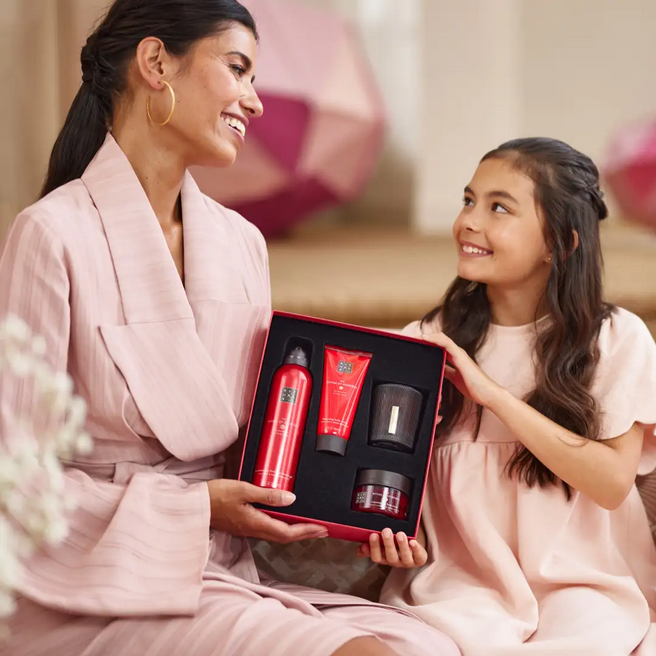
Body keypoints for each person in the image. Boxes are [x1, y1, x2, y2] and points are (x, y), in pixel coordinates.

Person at [0, 2, 461, 655]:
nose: (256, 100)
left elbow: (259, 439)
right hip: (92, 581)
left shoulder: (240, 243)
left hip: (221, 567)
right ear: (157, 64)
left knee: (424, 645)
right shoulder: (51, 234)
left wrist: (351, 511)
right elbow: (15, 477)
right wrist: (195, 509)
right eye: (238, 68)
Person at [358, 138, 656, 655]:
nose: (469, 222)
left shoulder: (615, 338)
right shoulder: (424, 343)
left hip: (584, 590)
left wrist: (493, 395)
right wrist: (398, 541)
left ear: (559, 243)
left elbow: (611, 482)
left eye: (499, 208)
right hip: (456, 592)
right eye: (468, 200)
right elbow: (399, 491)